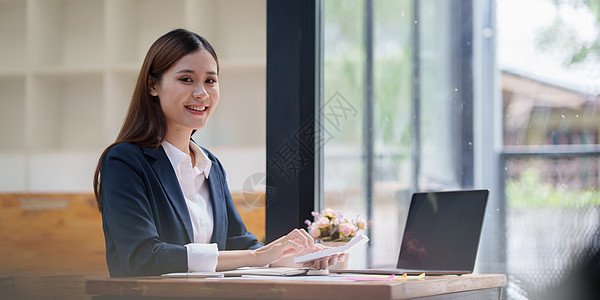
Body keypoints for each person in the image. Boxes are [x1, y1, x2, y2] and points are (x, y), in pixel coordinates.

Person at [93, 28, 340, 277]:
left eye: (210, 81)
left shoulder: (210, 165)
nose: (202, 93)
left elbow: (239, 244)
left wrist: (298, 258)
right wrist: (256, 256)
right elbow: (143, 257)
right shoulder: (124, 161)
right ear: (153, 85)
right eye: (186, 79)